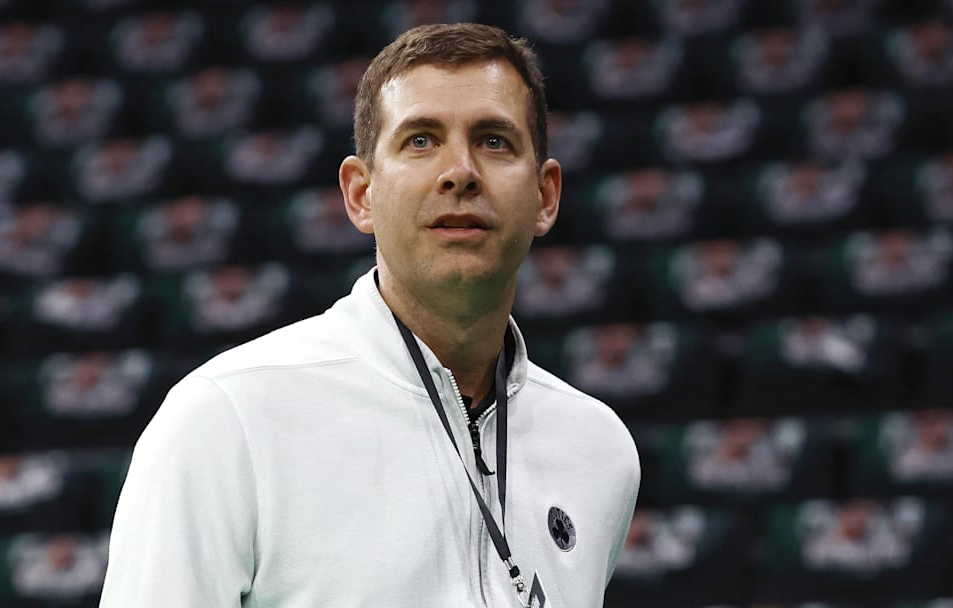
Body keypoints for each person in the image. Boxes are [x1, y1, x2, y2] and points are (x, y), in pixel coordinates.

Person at [100, 23, 640, 607]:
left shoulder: (599, 449)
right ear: (361, 194)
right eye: (420, 140)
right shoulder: (226, 420)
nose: (459, 171)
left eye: (493, 141)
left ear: (546, 196)